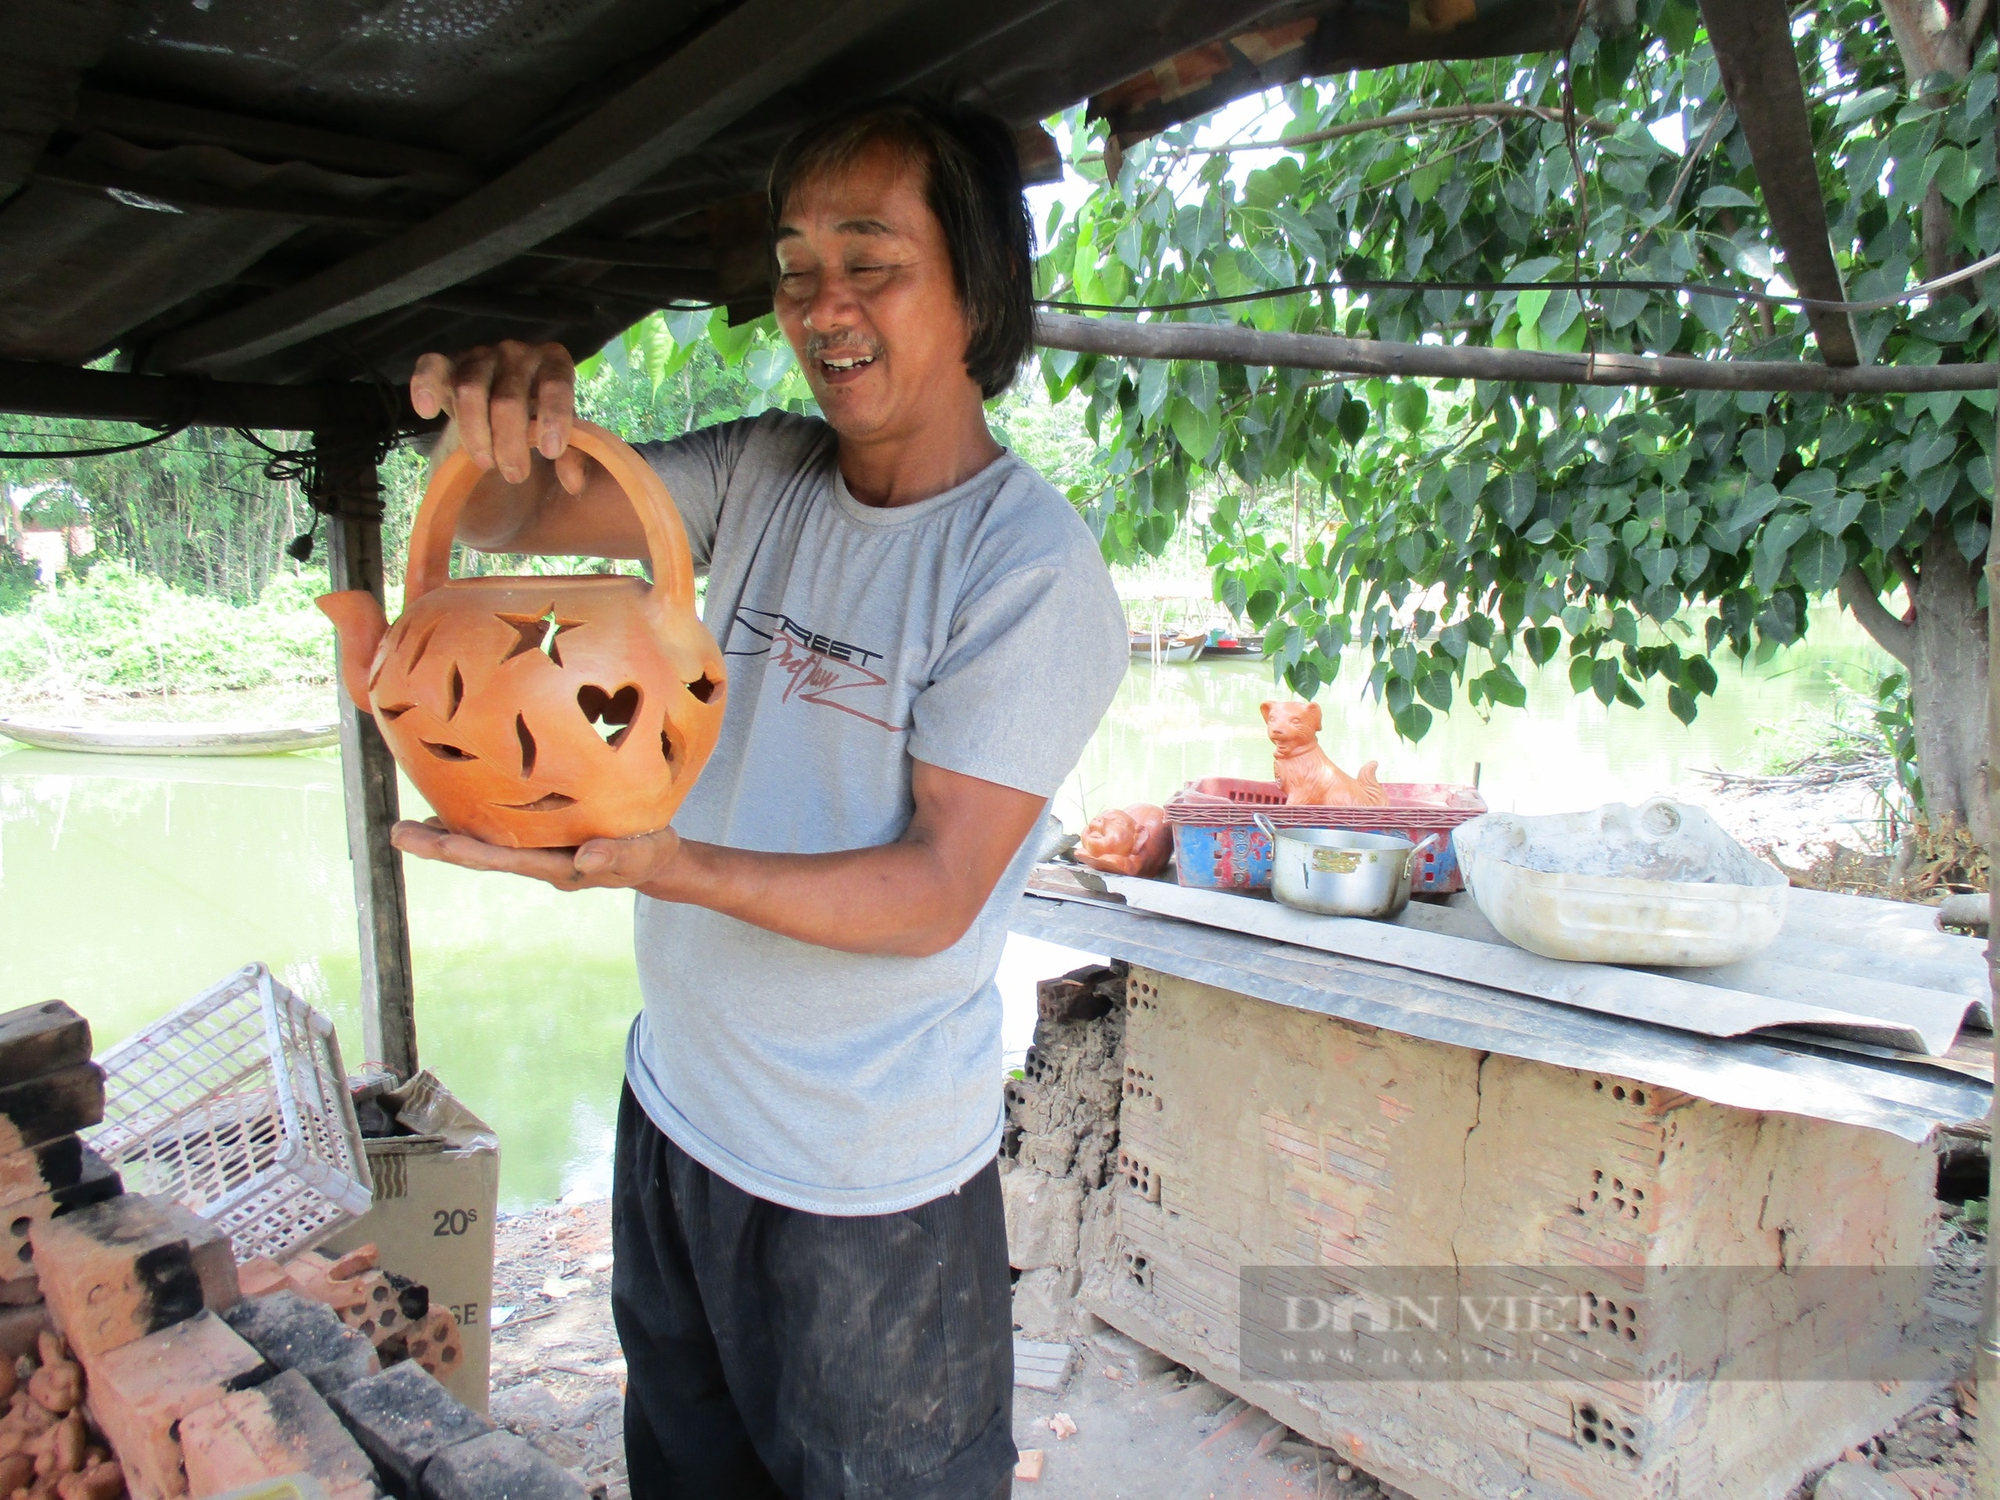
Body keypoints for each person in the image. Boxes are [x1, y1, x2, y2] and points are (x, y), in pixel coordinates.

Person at [396, 99, 1128, 1499]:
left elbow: (931, 892)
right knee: (686, 1476)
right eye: (795, 269)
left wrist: (665, 866)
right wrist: (505, 425)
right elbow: (520, 520)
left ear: (976, 286)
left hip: (868, 1190)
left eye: (873, 259)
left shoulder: (1026, 570)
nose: (823, 304)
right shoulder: (768, 473)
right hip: (676, 1120)